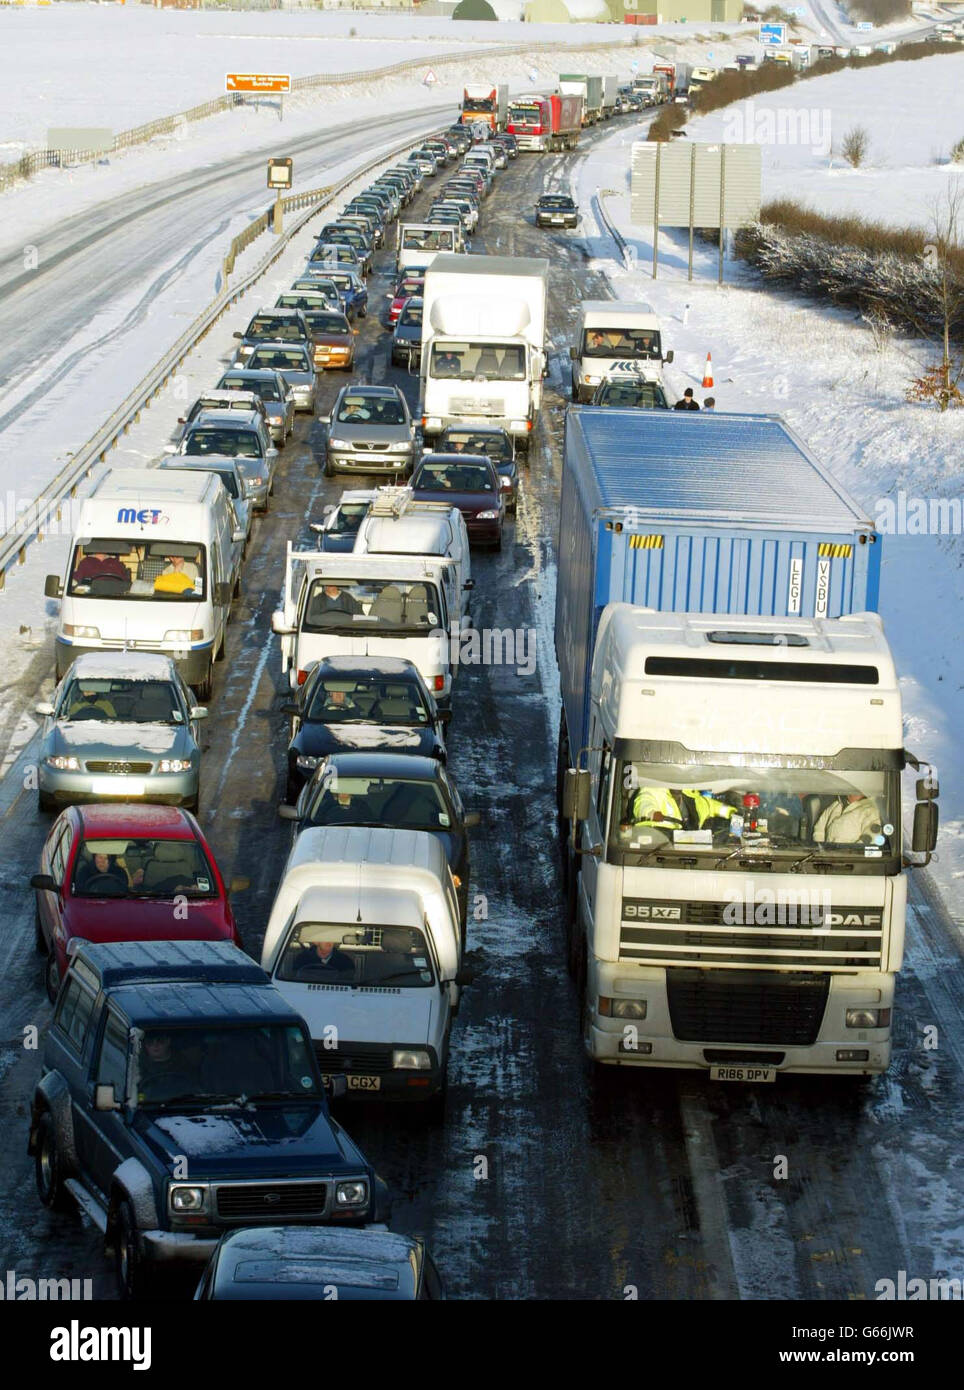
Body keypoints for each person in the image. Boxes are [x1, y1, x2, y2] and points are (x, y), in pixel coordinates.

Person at [627, 786, 736, 834]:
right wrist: (651, 812)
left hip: (688, 851)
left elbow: (713, 806)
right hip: (659, 844)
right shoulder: (653, 789)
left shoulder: (693, 797)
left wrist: (733, 812)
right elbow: (643, 802)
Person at [137, 1031, 197, 1103]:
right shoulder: (137, 1066)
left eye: (160, 1041)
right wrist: (140, 1101)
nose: (155, 1045)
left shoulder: (183, 1064)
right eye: (150, 1042)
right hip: (147, 1108)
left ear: (168, 1041)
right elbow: (135, 1094)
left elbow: (193, 1090)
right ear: (145, 1045)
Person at [813, 793, 882, 845]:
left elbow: (870, 838)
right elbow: (819, 828)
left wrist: (850, 853)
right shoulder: (836, 805)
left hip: (850, 859)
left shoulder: (871, 810)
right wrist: (821, 850)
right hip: (828, 858)